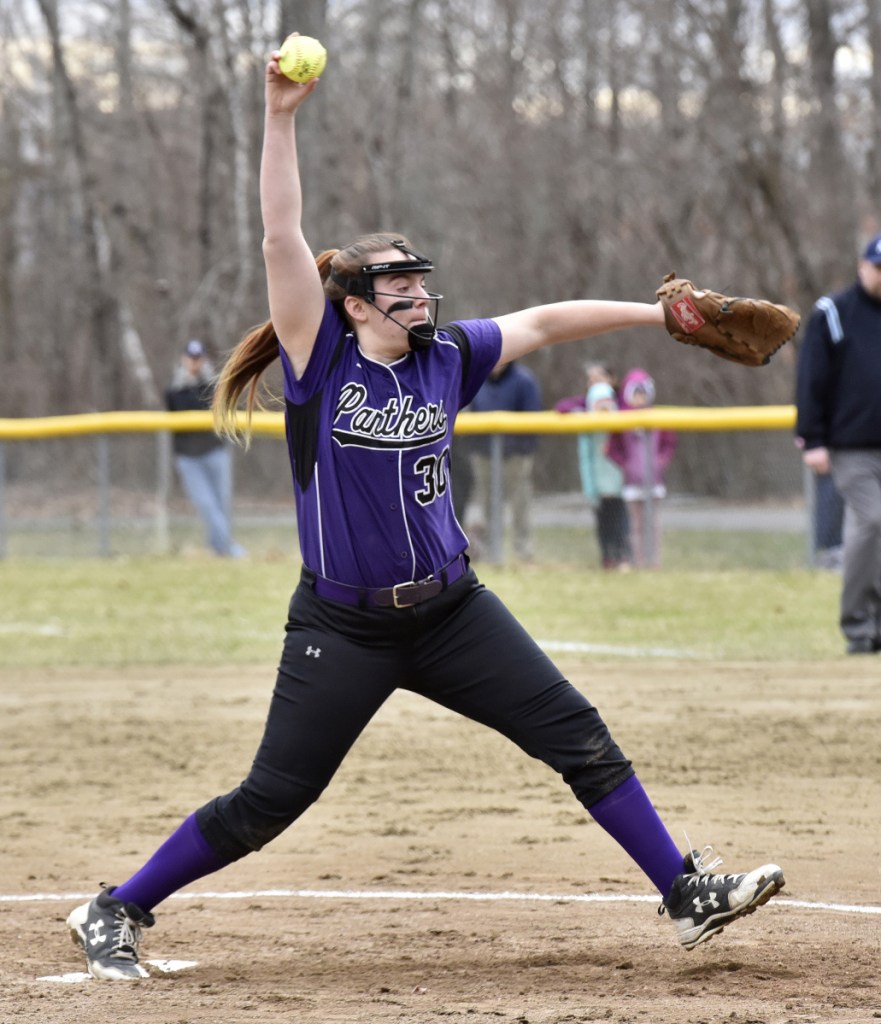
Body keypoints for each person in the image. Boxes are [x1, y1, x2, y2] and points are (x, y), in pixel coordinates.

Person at [65, 41, 784, 982]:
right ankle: (114, 907)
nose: (418, 295)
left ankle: (684, 893)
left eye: (420, 283)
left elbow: (547, 320)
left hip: (451, 610)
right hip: (342, 626)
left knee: (578, 735)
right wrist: (279, 119)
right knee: (270, 799)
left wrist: (666, 319)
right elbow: (282, 237)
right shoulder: (320, 361)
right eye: (397, 287)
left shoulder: (448, 356)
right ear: (355, 305)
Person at [796, 233, 881, 654]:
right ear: (863, 266)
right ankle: (857, 625)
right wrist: (813, 438)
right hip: (852, 448)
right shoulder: (833, 312)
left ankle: (874, 626)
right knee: (874, 520)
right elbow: (811, 377)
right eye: (878, 268)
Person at [164, 339, 245, 558]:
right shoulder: (174, 390)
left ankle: (218, 549)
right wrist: (190, 382)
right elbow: (184, 406)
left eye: (198, 358)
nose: (194, 363)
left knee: (221, 504)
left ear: (204, 360)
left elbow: (227, 407)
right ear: (184, 360)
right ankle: (228, 548)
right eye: (191, 358)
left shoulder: (214, 386)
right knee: (207, 505)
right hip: (189, 458)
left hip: (215, 452)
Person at [468, 361, 542, 561]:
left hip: (515, 456)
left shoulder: (523, 380)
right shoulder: (477, 377)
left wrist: (523, 450)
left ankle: (523, 552)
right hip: (484, 454)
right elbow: (470, 411)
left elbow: (532, 418)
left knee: (520, 503)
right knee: (488, 504)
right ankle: (492, 553)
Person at [607, 369, 677, 569]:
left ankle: (654, 561)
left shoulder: (657, 417)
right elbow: (612, 448)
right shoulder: (622, 419)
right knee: (635, 525)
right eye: (636, 394)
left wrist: (660, 461)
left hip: (654, 481)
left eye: (643, 393)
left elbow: (669, 443)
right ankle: (637, 561)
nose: (640, 398)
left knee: (653, 525)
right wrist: (625, 464)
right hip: (632, 482)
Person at [579, 380, 632, 569]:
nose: (603, 407)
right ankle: (608, 558)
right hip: (600, 490)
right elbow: (586, 462)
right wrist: (590, 490)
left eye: (607, 401)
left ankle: (624, 557)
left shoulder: (620, 427)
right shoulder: (588, 431)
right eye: (599, 402)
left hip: (620, 489)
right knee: (604, 526)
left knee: (621, 524)